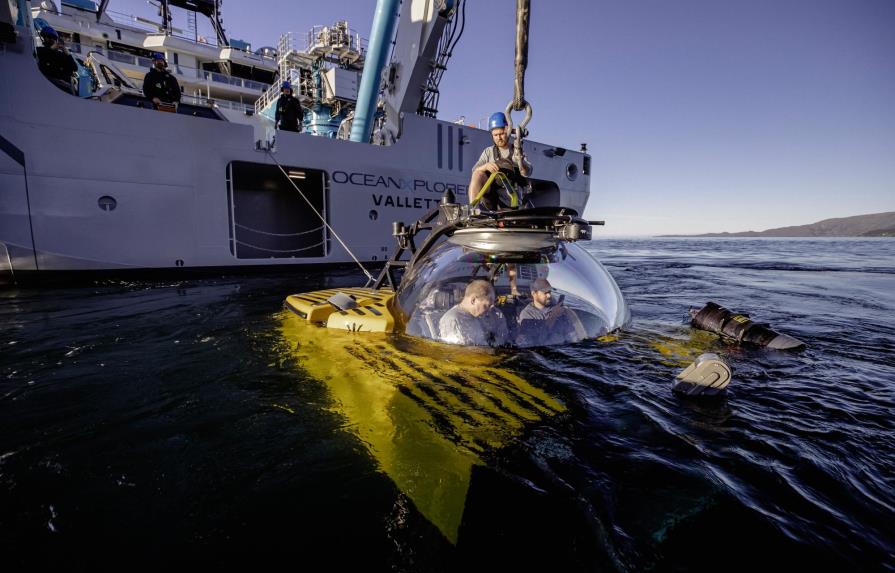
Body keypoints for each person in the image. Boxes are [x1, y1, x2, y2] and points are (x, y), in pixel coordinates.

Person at [467, 111, 532, 209]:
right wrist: (485, 166)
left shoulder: (517, 151)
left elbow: (528, 171)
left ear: (508, 131)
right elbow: (475, 171)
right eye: (495, 135)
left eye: (501, 134)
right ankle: (472, 210)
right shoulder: (488, 152)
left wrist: (521, 163)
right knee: (478, 173)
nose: (499, 138)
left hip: (512, 200)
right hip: (492, 199)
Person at [516, 277, 587, 346]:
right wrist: (554, 315)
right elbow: (538, 341)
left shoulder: (558, 309)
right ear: (534, 293)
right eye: (545, 292)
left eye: (549, 292)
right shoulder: (527, 315)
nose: (549, 295)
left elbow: (573, 335)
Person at [438, 279, 509, 347]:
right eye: (487, 305)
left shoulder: (478, 316)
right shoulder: (452, 320)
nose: (489, 310)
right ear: (473, 300)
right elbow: (456, 353)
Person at [35, 26, 76, 93]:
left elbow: (74, 68)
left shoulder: (61, 55)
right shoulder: (41, 51)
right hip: (51, 83)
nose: (47, 39)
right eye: (46, 38)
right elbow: (40, 54)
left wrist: (67, 53)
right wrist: (52, 49)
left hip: (63, 85)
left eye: (50, 38)